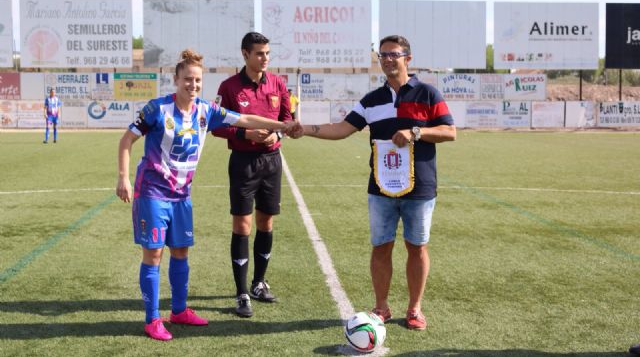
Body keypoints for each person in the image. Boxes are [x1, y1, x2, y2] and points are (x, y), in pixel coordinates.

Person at [116, 48, 296, 341]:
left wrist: (282, 125)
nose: (193, 85)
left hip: (181, 196)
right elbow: (126, 141)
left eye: (198, 81)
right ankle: (152, 319)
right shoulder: (156, 109)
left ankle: (179, 311)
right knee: (154, 254)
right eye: (188, 79)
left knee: (181, 252)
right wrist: (123, 178)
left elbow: (246, 120)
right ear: (176, 79)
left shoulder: (206, 110)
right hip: (152, 194)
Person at [290, 35, 456, 330]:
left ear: (408, 58)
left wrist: (415, 132)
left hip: (420, 187)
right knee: (381, 247)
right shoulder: (371, 100)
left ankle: (415, 309)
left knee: (417, 247)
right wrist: (307, 129)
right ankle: (381, 307)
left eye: (394, 54)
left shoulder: (428, 94)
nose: (388, 59)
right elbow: (342, 128)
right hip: (380, 186)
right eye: (383, 55)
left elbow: (449, 131)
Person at [212, 32, 291, 318]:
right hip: (243, 162)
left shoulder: (278, 83)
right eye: (259, 53)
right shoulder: (230, 87)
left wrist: (275, 134)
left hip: (271, 161)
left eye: (268, 53)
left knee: (266, 221)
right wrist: (248, 133)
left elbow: (285, 118)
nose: (265, 58)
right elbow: (216, 125)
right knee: (242, 225)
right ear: (245, 54)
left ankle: (259, 283)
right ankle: (242, 292)